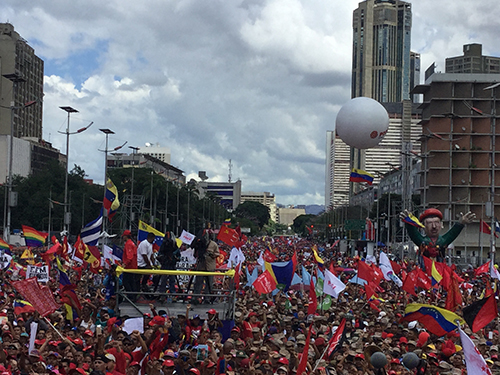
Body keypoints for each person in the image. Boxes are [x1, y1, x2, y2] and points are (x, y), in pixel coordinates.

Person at [399, 208, 475, 263]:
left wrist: (461, 224)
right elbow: (414, 235)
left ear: (441, 225)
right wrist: (409, 223)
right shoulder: (423, 241)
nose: (434, 226)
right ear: (423, 226)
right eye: (429, 223)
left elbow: (452, 234)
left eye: (437, 222)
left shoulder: (442, 241)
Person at [193, 239, 220, 304]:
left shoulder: (214, 244)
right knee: (198, 283)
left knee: (209, 284)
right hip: (201, 266)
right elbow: (195, 254)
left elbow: (217, 253)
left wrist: (211, 254)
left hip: (210, 267)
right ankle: (196, 297)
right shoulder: (199, 243)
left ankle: (207, 298)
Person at [155, 231, 180, 301]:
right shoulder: (163, 246)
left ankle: (173, 295)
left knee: (172, 280)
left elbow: (179, 256)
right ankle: (162, 295)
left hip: (172, 265)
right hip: (165, 265)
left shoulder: (175, 246)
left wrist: (175, 258)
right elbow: (159, 255)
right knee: (163, 280)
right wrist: (162, 258)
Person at [121, 230, 138, 300]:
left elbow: (129, 256)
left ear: (126, 236)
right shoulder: (132, 243)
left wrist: (125, 264)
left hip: (129, 267)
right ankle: (133, 296)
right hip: (132, 266)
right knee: (131, 281)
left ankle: (131, 297)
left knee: (126, 282)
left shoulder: (128, 244)